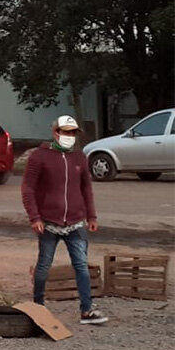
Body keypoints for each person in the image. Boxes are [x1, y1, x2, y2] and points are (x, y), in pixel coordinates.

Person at [22, 115, 107, 326]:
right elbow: (28, 188)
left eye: (72, 133)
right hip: (49, 223)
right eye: (66, 132)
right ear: (55, 133)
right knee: (44, 266)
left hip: (76, 223)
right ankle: (38, 307)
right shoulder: (39, 157)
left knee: (81, 266)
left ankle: (87, 310)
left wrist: (91, 215)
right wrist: (34, 217)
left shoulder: (79, 157)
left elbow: (86, 188)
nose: (69, 136)